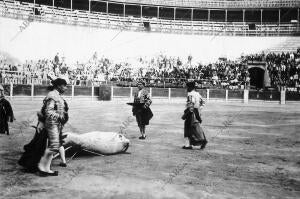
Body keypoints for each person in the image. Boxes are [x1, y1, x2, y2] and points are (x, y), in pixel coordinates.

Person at [37, 78, 69, 176]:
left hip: (56, 124)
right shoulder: (52, 95)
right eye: (64, 86)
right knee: (54, 146)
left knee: (54, 146)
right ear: (59, 86)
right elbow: (48, 111)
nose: (66, 88)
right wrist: (60, 117)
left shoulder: (56, 95)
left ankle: (46, 169)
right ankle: (42, 166)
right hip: (52, 123)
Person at [181, 81, 207, 150]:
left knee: (188, 128)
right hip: (196, 112)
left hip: (191, 113)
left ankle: (188, 145)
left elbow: (191, 105)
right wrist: (199, 110)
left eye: (187, 87)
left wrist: (186, 114)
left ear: (190, 87)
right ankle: (203, 141)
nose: (186, 89)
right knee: (197, 128)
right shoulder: (197, 94)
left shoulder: (190, 94)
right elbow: (203, 102)